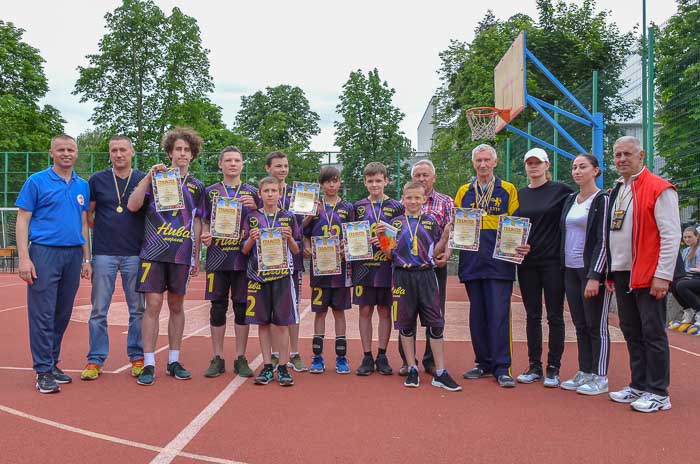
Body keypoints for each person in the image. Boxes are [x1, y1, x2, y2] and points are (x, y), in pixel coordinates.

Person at [606, 136, 681, 413]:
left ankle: (659, 392)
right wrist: (611, 271)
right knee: (631, 331)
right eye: (617, 155)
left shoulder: (660, 189)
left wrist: (663, 275)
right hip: (623, 272)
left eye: (627, 154)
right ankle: (638, 384)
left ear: (642, 155)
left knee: (652, 332)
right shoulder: (618, 189)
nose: (622, 159)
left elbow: (672, 236)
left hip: (649, 273)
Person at [127, 127, 206, 386]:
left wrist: (195, 255)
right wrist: (148, 177)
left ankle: (173, 360)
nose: (182, 154)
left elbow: (197, 223)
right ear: (170, 152)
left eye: (187, 150)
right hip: (153, 252)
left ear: (192, 155)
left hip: (181, 253)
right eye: (178, 149)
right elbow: (133, 205)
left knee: (176, 306)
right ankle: (149, 363)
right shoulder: (156, 178)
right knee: (152, 306)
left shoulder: (197, 187)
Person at [15, 134, 92, 393]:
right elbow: (23, 220)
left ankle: (53, 362)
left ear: (76, 153)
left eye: (71, 149)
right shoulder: (36, 181)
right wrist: (24, 258)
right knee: (42, 315)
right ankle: (43, 371)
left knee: (62, 313)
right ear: (51, 152)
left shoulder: (82, 185)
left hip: (72, 255)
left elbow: (83, 224)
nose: (66, 153)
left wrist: (86, 258)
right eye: (61, 149)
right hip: (44, 253)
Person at [383, 181, 460, 391]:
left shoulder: (431, 222)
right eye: (409, 197)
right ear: (403, 199)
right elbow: (390, 255)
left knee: (435, 324)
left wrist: (444, 237)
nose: (413, 201)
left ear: (424, 199)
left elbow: (434, 254)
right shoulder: (394, 223)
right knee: (406, 325)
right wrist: (384, 241)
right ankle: (412, 368)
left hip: (426, 275)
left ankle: (441, 372)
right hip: (402, 277)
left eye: (417, 198)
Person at [81, 136, 146, 381]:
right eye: (114, 150)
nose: (119, 154)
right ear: (109, 153)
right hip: (104, 253)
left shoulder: (142, 179)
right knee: (98, 310)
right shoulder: (97, 179)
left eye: (123, 150)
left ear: (132, 152)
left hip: (135, 253)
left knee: (137, 309)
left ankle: (137, 356)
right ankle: (95, 359)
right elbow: (89, 215)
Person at [454, 144, 519, 388]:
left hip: (499, 263)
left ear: (495, 162)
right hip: (472, 262)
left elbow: (515, 224)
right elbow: (459, 224)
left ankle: (502, 367)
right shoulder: (464, 191)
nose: (482, 164)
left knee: (499, 315)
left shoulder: (507, 190)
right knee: (477, 316)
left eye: (486, 160)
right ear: (473, 163)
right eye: (478, 160)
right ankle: (483, 362)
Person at [514, 148, 573, 387]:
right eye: (529, 163)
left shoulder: (562, 191)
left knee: (555, 316)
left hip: (552, 263)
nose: (533, 166)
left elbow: (584, 203)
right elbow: (514, 227)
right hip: (527, 264)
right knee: (532, 315)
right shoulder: (519, 195)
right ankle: (534, 366)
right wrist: (517, 245)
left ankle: (553, 368)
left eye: (538, 162)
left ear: (547, 165)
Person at [200, 147, 260, 378]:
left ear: (243, 164)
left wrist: (256, 207)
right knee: (217, 309)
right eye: (228, 160)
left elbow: (263, 219)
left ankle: (241, 357)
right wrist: (205, 235)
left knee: (242, 308)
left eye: (237, 160)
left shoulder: (253, 192)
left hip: (244, 259)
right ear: (220, 164)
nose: (232, 164)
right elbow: (205, 221)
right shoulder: (211, 191)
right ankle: (217, 357)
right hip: (217, 258)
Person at [559, 154, 612, 395]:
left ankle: (600, 377)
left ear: (596, 171)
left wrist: (595, 275)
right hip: (570, 269)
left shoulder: (603, 199)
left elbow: (603, 240)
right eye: (574, 167)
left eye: (583, 167)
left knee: (596, 325)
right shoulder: (571, 199)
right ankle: (585, 371)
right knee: (580, 324)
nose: (577, 171)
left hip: (590, 271)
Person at [242, 176, 301, 386]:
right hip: (258, 276)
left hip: (282, 276)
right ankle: (268, 366)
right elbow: (244, 249)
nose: (270, 194)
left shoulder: (288, 217)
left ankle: (283, 367)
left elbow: (297, 251)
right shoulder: (251, 217)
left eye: (273, 191)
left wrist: (290, 238)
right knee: (263, 323)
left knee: (283, 323)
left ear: (280, 194)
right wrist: (251, 238)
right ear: (260, 194)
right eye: (266, 191)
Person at [398, 160, 454, 376]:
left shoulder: (446, 202)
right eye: (418, 175)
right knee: (404, 314)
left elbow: (453, 233)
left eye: (425, 175)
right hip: (403, 274)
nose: (421, 178)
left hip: (433, 269)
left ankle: (431, 361)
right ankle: (407, 361)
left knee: (435, 313)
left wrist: (447, 255)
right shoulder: (401, 207)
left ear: (434, 177)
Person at [353, 162, 405, 376]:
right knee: (364, 311)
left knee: (385, 311)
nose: (375, 184)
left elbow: (401, 236)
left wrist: (385, 242)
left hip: (387, 266)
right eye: (370, 181)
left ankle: (382, 354)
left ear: (386, 181)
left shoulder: (396, 206)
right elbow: (352, 234)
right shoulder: (358, 207)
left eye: (378, 180)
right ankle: (366, 355)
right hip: (364, 267)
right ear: (365, 182)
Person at [302, 166, 354, 374]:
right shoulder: (313, 207)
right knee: (320, 313)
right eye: (327, 181)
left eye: (335, 180)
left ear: (340, 182)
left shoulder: (347, 207)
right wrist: (306, 246)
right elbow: (303, 232)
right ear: (321, 184)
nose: (332, 185)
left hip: (341, 269)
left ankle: (341, 357)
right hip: (320, 269)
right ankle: (317, 357)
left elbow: (354, 234)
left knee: (340, 312)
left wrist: (347, 249)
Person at [264, 152, 307, 372]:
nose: (282, 169)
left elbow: (302, 226)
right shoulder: (260, 192)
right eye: (278, 166)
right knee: (270, 308)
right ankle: (272, 354)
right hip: (267, 261)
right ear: (268, 168)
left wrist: (312, 213)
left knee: (293, 306)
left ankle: (294, 352)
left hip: (292, 257)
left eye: (285, 166)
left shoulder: (299, 194)